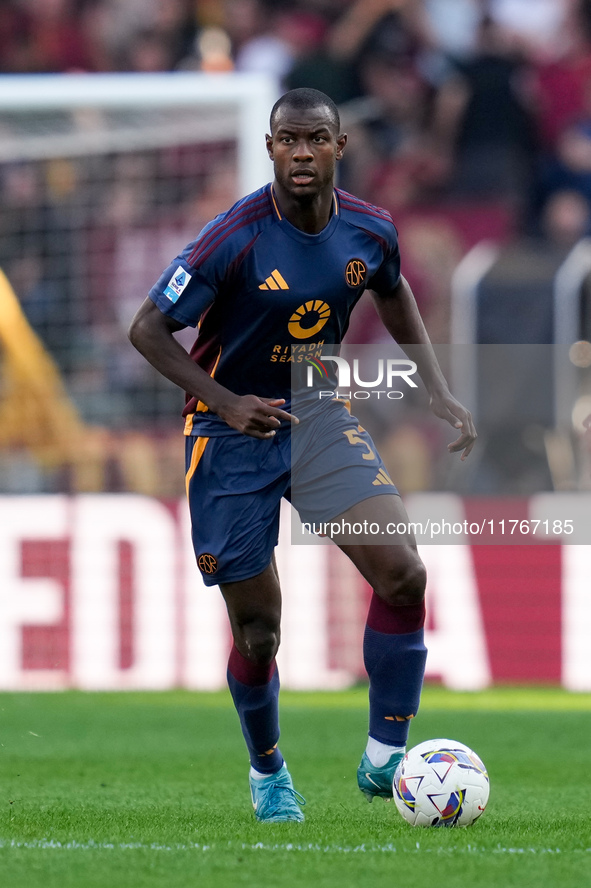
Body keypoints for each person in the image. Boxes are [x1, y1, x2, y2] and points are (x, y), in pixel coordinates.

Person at [128, 87, 476, 823]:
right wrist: (224, 401)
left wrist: (435, 387)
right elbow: (148, 330)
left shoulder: (370, 230)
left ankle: (386, 757)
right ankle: (268, 771)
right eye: (287, 140)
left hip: (315, 415)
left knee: (404, 572)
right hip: (228, 437)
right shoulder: (233, 238)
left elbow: (393, 293)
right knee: (259, 630)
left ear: (338, 147)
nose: (301, 152)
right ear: (270, 148)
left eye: (315, 139)